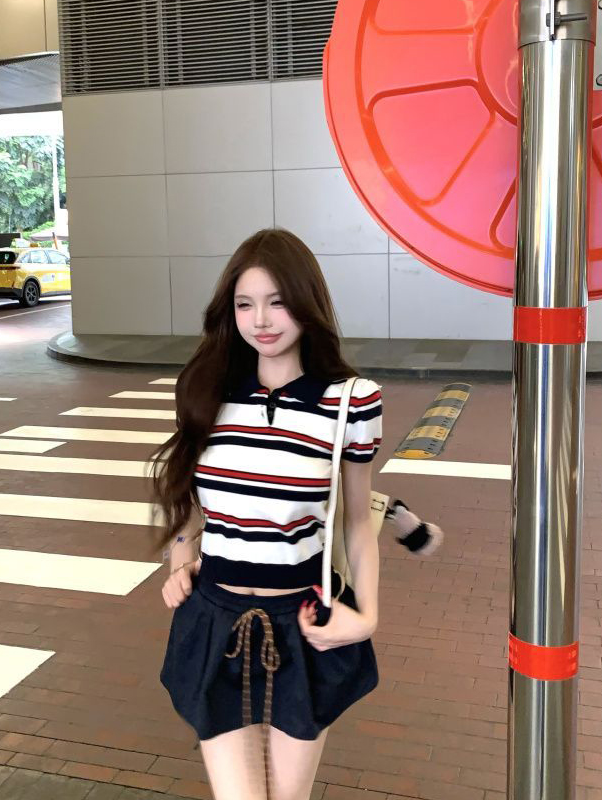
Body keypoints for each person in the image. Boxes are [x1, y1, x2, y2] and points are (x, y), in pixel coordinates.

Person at [151, 228, 383, 800]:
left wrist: (367, 617)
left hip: (302, 624)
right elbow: (189, 501)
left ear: (307, 303)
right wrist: (180, 559)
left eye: (277, 302)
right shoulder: (208, 390)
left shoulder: (350, 401)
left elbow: (357, 522)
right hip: (214, 618)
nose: (260, 320)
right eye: (245, 304)